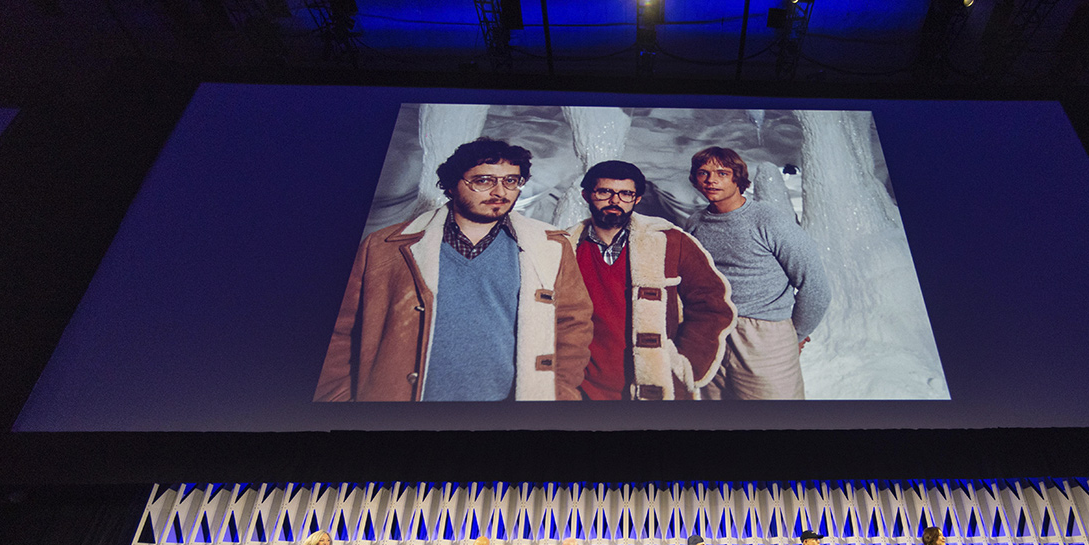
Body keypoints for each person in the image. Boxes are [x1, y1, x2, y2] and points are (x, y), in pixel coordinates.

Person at [315, 137, 593, 401]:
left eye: (511, 181)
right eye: (483, 181)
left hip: (508, 407)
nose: (500, 192)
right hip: (402, 407)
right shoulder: (383, 246)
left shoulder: (550, 246)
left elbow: (573, 324)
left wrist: (560, 391)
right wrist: (338, 400)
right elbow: (340, 334)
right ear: (450, 185)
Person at [565, 160, 735, 400]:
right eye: (604, 192)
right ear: (586, 195)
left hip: (655, 382)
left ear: (637, 200)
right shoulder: (565, 247)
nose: (615, 201)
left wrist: (686, 364)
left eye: (626, 194)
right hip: (583, 387)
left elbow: (713, 304)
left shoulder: (671, 242)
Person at [684, 146, 831, 400]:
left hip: (763, 335)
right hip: (711, 331)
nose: (712, 180)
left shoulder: (769, 221)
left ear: (737, 178)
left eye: (722, 173)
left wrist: (794, 336)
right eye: (703, 173)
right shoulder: (695, 222)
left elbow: (815, 287)